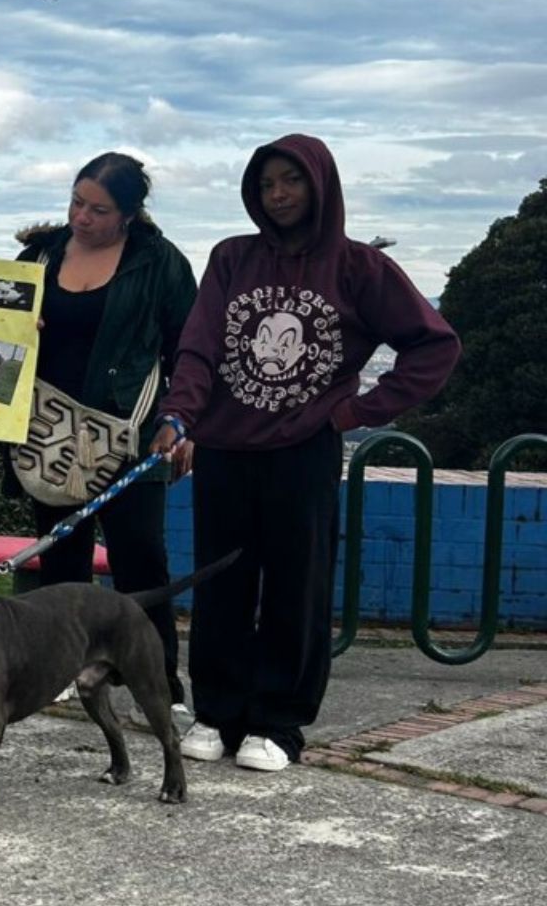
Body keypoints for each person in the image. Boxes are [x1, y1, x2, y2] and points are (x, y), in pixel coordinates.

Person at [150, 134, 459, 772]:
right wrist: (180, 414)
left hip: (304, 453)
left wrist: (352, 414)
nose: (279, 195)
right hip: (227, 449)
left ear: (321, 185)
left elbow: (435, 347)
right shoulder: (232, 258)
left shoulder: (358, 268)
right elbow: (201, 345)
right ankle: (217, 711)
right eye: (267, 184)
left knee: (298, 585)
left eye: (291, 181)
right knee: (221, 582)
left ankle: (279, 723)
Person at [14, 153, 196, 711]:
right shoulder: (38, 258)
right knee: (63, 560)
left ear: (129, 215)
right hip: (46, 433)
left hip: (130, 432)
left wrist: (184, 421)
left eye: (98, 210)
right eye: (76, 202)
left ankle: (160, 679)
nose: (82, 218)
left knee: (140, 556)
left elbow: (188, 347)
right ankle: (61, 671)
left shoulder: (160, 262)